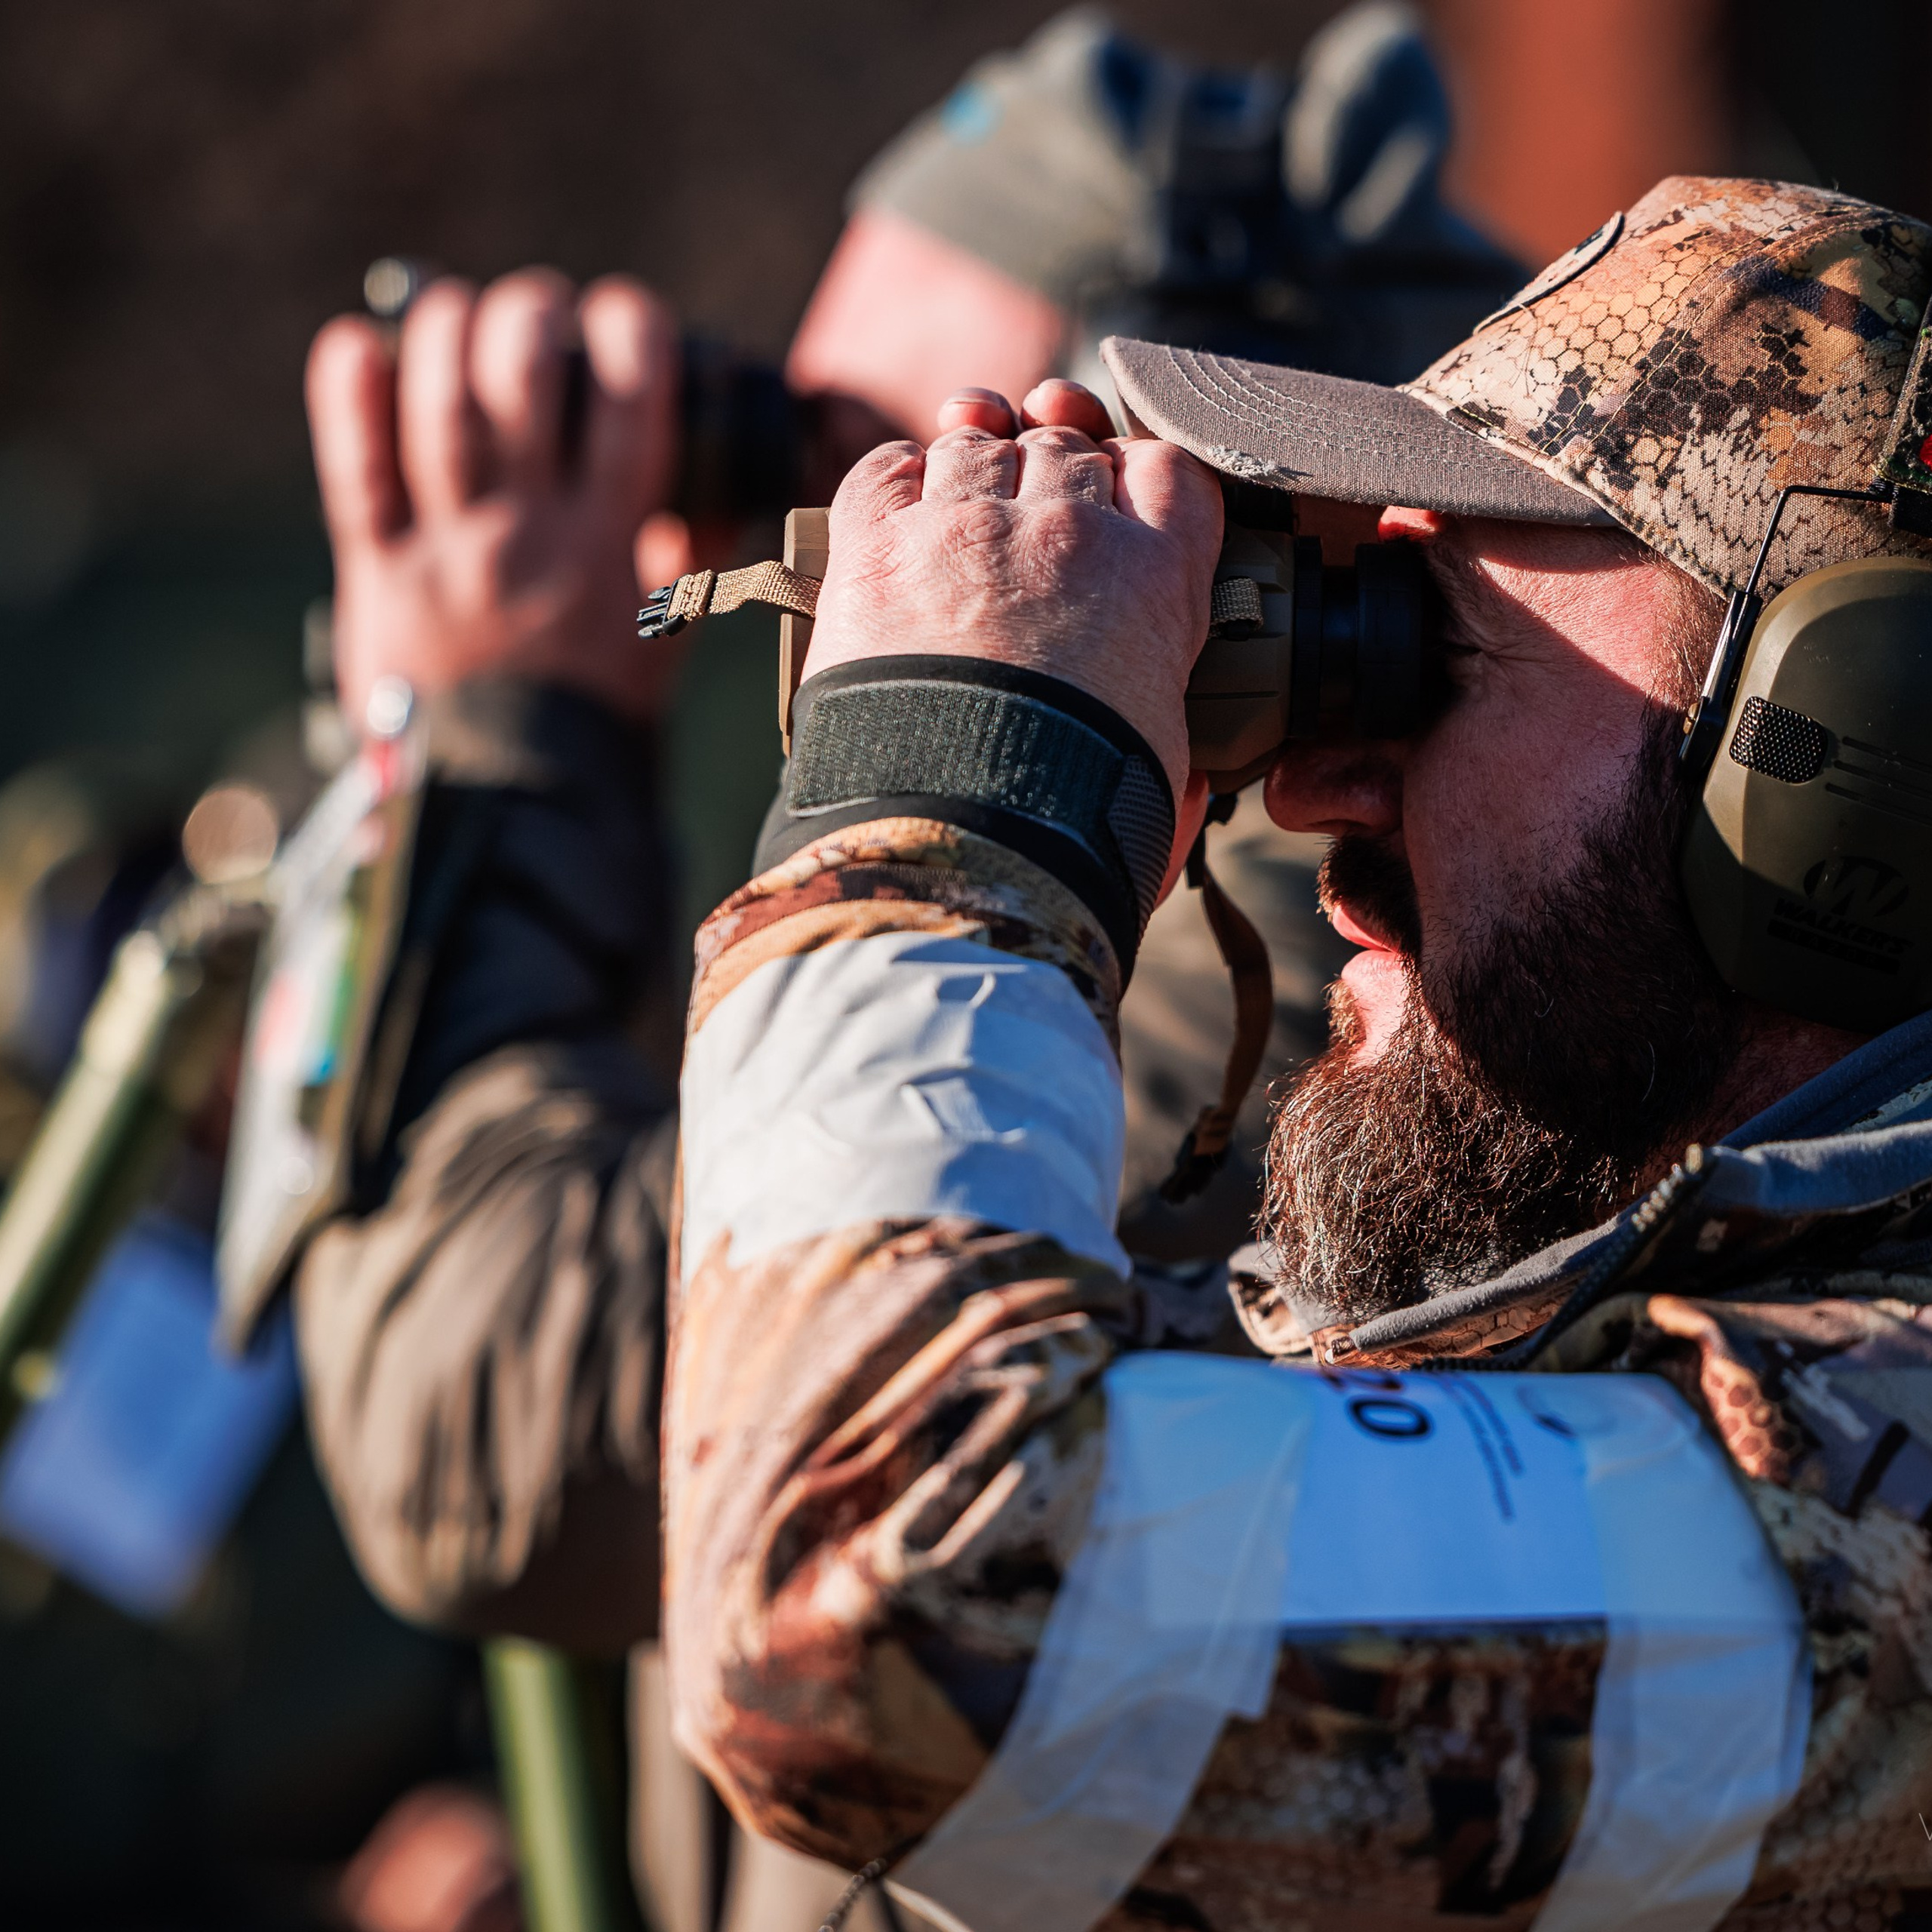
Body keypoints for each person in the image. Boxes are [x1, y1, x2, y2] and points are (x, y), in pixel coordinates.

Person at [288, 13, 1515, 1927]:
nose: (796, 538)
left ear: (1145, 499)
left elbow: (501, 1434)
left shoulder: (1311, 949)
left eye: (882, 467)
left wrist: (499, 735)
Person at [660, 173, 1932, 1931]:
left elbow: (888, 1610)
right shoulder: (1563, 1320)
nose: (1313, 791)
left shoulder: (1885, 1502)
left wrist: (951, 799)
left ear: (1842, 775)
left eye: (1440, 664)